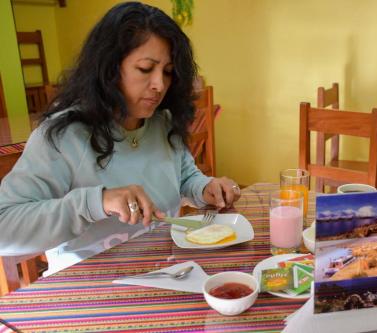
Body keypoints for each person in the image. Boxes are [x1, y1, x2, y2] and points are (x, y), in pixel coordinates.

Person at [0, 1, 240, 274]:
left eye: (168, 72)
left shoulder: (162, 122)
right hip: (86, 291)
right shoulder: (62, 137)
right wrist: (95, 203)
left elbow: (184, 176)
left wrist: (204, 188)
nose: (159, 84)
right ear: (110, 68)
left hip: (164, 274)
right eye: (145, 69)